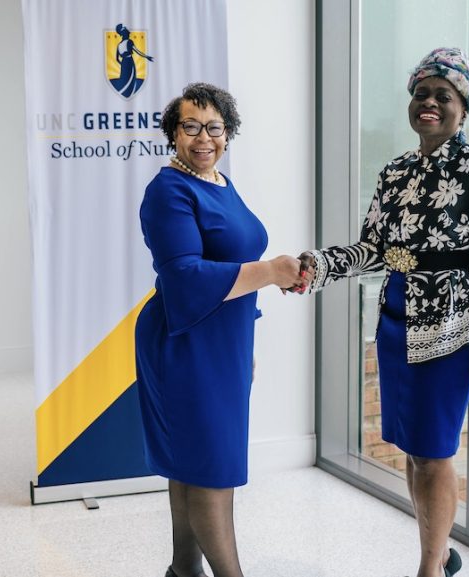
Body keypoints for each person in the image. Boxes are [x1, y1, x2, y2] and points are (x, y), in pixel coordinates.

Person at [296, 47, 469, 577]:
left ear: (465, 108)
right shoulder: (394, 172)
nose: (430, 103)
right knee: (414, 450)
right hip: (396, 325)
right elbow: (374, 249)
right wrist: (316, 267)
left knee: (436, 451)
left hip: (451, 329)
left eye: (444, 96)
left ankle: (428, 568)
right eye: (422, 93)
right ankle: (440, 553)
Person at [135, 82, 306, 577]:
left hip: (224, 342)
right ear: (173, 133)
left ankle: (183, 571)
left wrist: (246, 334)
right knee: (210, 470)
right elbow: (185, 278)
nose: (203, 136)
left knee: (195, 461)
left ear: (228, 133)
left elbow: (233, 259)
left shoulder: (221, 183)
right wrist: (272, 272)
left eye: (214, 126)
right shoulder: (168, 191)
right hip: (184, 344)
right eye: (190, 126)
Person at [111, 23, 154, 98]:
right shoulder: (129, 42)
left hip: (124, 63)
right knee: (131, 78)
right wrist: (147, 57)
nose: (129, 34)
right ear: (124, 34)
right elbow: (137, 51)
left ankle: (125, 91)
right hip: (129, 61)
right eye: (127, 32)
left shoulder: (119, 45)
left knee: (124, 78)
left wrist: (123, 64)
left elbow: (117, 59)